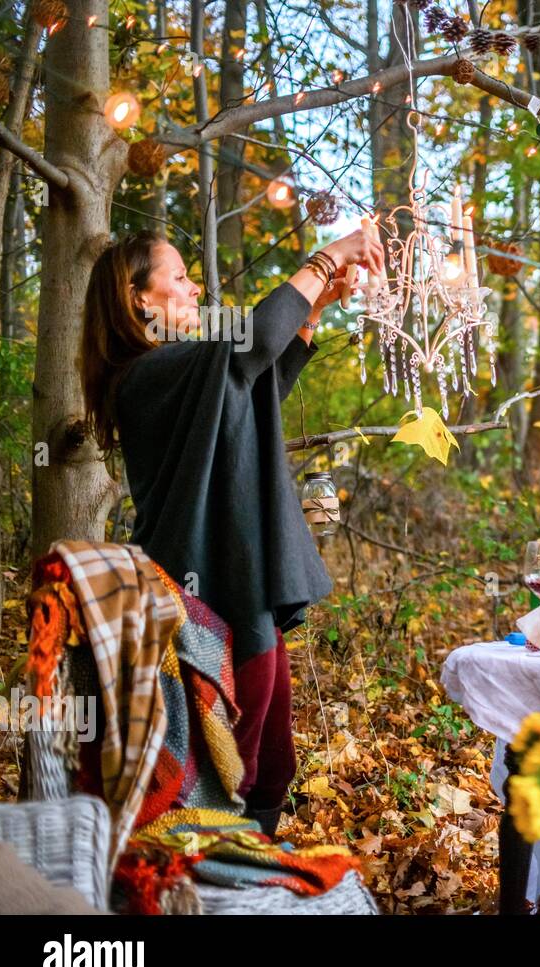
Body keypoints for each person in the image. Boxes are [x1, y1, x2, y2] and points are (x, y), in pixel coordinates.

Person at [79, 229, 384, 836]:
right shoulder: (143, 375)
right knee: (231, 770)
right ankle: (212, 874)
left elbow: (248, 384)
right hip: (204, 595)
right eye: (180, 277)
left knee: (271, 764)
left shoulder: (185, 369)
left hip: (240, 577)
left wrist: (314, 310)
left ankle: (250, 869)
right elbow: (248, 348)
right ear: (139, 299)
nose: (194, 288)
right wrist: (326, 261)